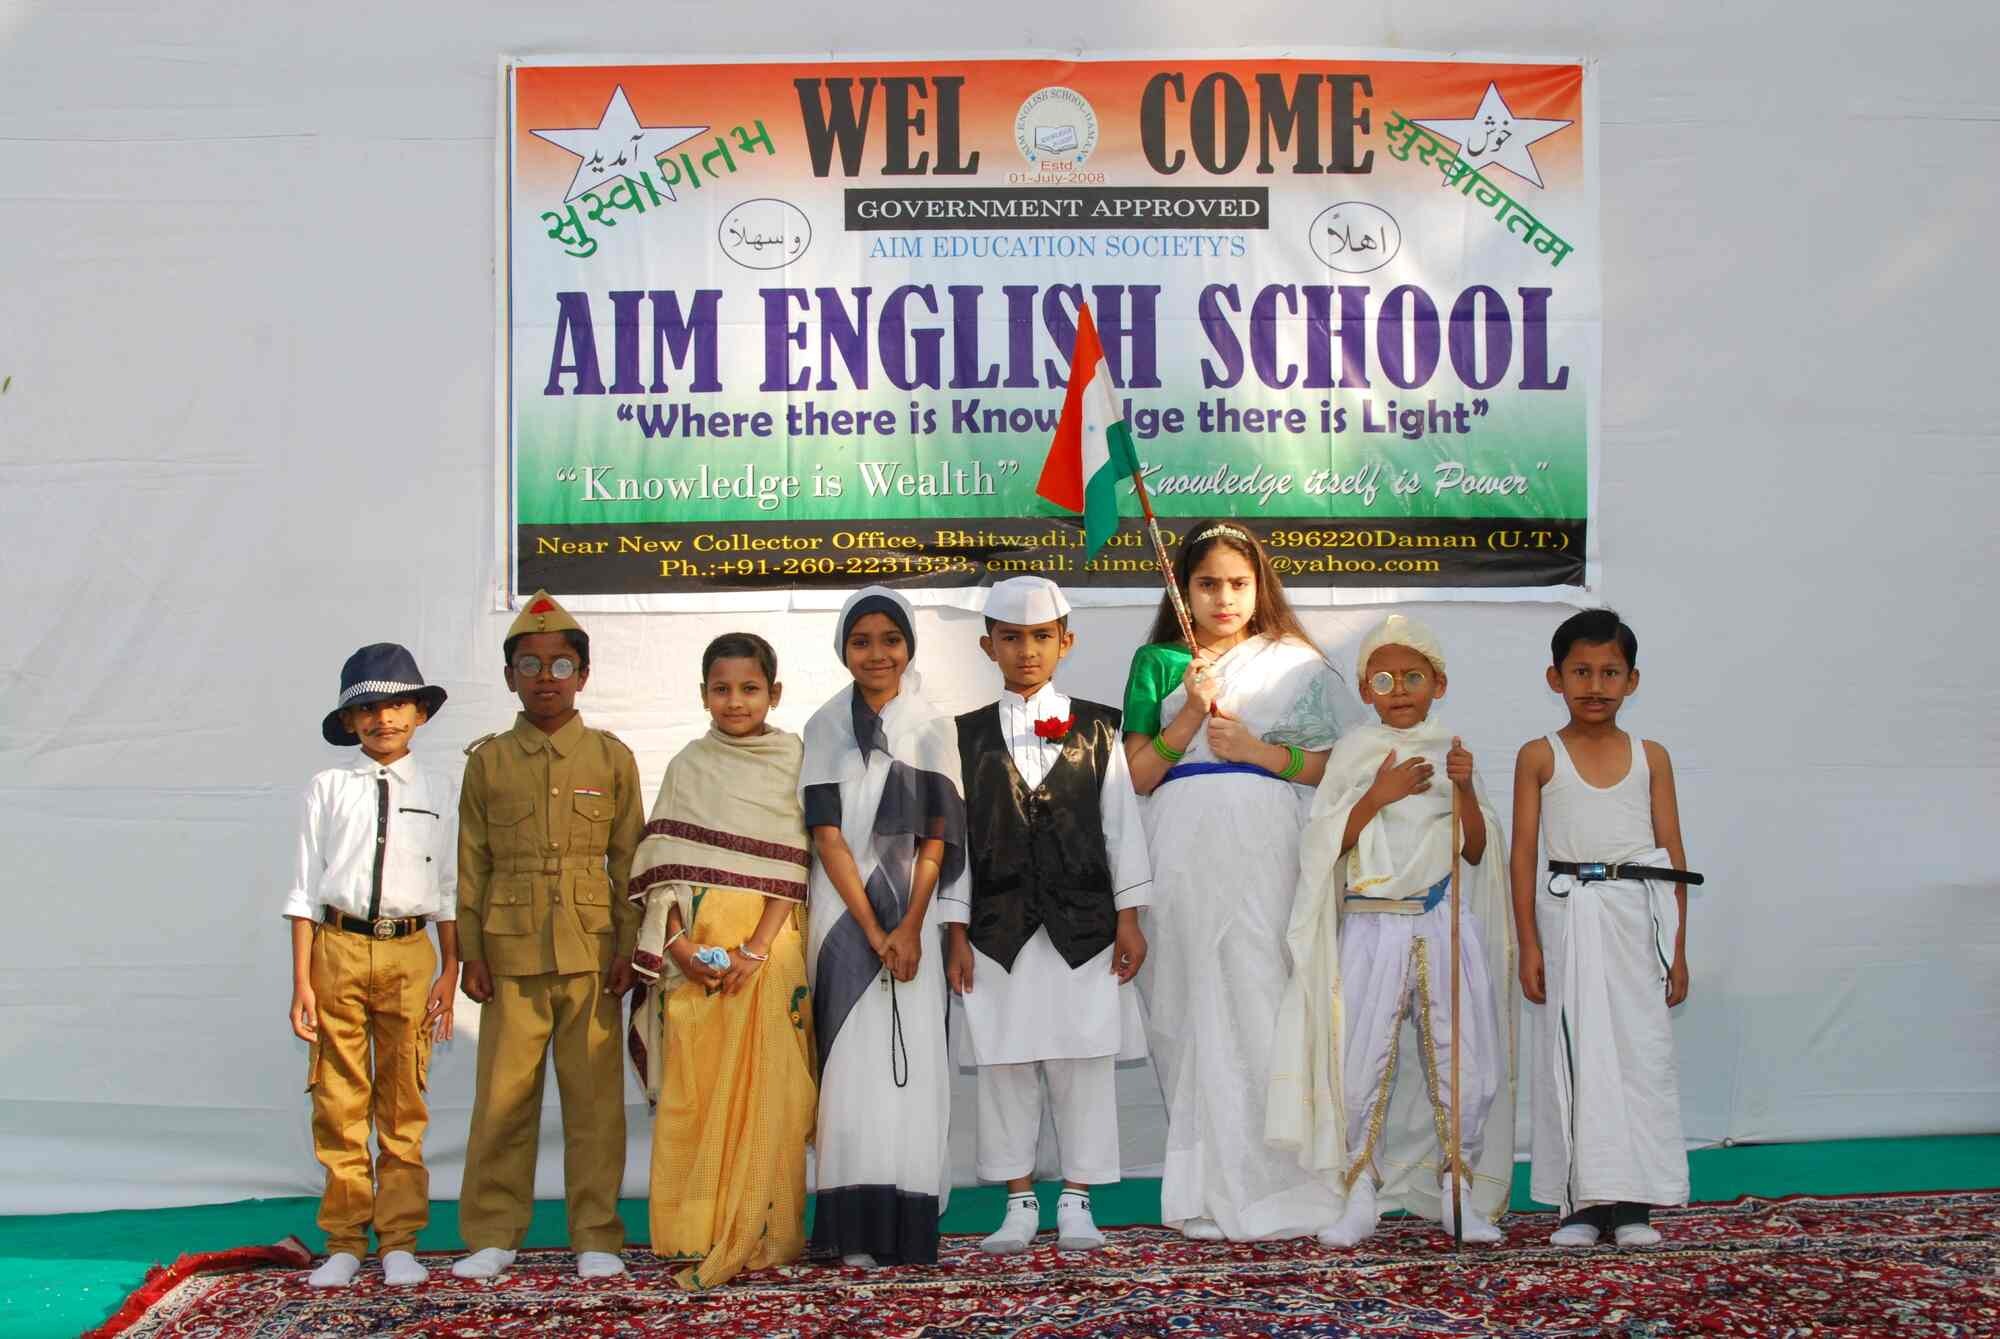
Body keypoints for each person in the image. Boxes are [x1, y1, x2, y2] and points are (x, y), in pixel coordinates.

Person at [1121, 521, 1348, 1241]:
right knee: (1187, 1005)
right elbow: (1136, 776)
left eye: (1238, 584)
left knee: (1263, 995)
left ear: (1260, 587)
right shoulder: (1160, 662)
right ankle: (1202, 1191)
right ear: (1183, 591)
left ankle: (1282, 1185)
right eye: (1208, 584)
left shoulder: (1294, 663)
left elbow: (1337, 766)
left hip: (1267, 850)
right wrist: (1191, 712)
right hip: (1180, 850)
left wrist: (1257, 751)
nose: (1224, 598)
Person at [1272, 614, 1516, 1249]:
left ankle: (1458, 1190)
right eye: (1383, 680)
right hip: (1372, 922)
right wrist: (1377, 795)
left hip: (1441, 919)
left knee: (1467, 1060)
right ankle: (1359, 1192)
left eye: (1413, 677)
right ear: (1366, 690)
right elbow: (1326, 843)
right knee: (1358, 1064)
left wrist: (1464, 788)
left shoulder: (1451, 750)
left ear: (1439, 684)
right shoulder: (1356, 752)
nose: (1399, 690)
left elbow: (1476, 849)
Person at [942, 576, 1153, 1254]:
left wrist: (1129, 916)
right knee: (1004, 1065)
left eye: (1040, 637)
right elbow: (956, 843)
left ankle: (1080, 1201)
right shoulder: (963, 736)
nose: (1026, 650)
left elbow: (1120, 826)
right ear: (988, 646)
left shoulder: (1100, 727)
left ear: (1066, 642)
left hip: (1084, 927)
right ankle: (1019, 1201)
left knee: (1083, 1064)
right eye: (1011, 638)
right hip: (997, 929)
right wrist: (954, 931)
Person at [452, 591, 645, 1281]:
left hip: (592, 951)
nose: (545, 678)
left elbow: (630, 861)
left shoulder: (611, 758)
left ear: (582, 675)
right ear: (509, 676)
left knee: (595, 1105)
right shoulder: (489, 762)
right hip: (510, 951)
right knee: (503, 1103)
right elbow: (472, 862)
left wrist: (629, 947)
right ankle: (492, 1233)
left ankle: (596, 1234)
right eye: (529, 665)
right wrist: (471, 951)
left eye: (561, 664)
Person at [626, 632, 817, 1290]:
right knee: (698, 1094)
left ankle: (764, 1231)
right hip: (696, 958)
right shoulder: (689, 765)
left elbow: (794, 863)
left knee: (771, 1092)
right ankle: (699, 1231)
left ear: (774, 693)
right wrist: (679, 946)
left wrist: (755, 949)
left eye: (749, 688)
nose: (736, 701)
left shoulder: (792, 760)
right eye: (722, 689)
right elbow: (662, 869)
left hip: (767, 950)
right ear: (703, 693)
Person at [1510, 608, 1696, 1248]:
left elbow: (1672, 853)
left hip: (1637, 918)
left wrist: (1677, 948)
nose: (1595, 685)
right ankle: (1581, 1203)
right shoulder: (1539, 756)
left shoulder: (1652, 758)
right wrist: (1528, 943)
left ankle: (1634, 1203)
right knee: (1573, 1056)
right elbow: (1523, 854)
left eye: (1610, 672)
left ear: (1632, 680)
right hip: (1568, 919)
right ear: (1554, 677)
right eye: (1581, 671)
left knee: (1640, 1055)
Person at [800, 586, 968, 1267]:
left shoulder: (932, 725)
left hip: (913, 923)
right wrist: (874, 930)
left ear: (909, 646)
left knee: (911, 1069)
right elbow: (827, 836)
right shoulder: (823, 725)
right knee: (849, 1070)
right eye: (861, 641)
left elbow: (938, 836)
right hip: (843, 919)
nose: (877, 653)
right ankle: (851, 1229)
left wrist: (910, 926)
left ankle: (906, 1226)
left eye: (890, 639)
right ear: (843, 649)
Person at [285, 642, 458, 1288]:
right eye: (367, 709)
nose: (383, 719)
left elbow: (448, 886)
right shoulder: (328, 788)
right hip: (337, 948)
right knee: (339, 1098)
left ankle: (400, 1240)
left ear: (419, 713)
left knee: (404, 1097)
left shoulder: (439, 788)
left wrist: (450, 969)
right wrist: (301, 981)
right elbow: (304, 890)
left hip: (411, 953)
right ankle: (344, 1239)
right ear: (349, 720)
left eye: (397, 705)